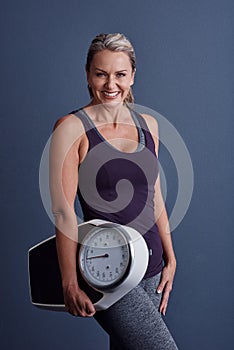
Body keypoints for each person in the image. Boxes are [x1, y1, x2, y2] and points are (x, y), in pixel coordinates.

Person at [49, 33, 178, 349]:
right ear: (88, 74)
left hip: (152, 266)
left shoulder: (149, 125)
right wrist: (69, 282)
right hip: (107, 272)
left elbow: (154, 193)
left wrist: (171, 257)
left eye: (120, 74)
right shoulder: (71, 128)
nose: (111, 84)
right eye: (101, 73)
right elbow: (64, 210)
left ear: (133, 75)